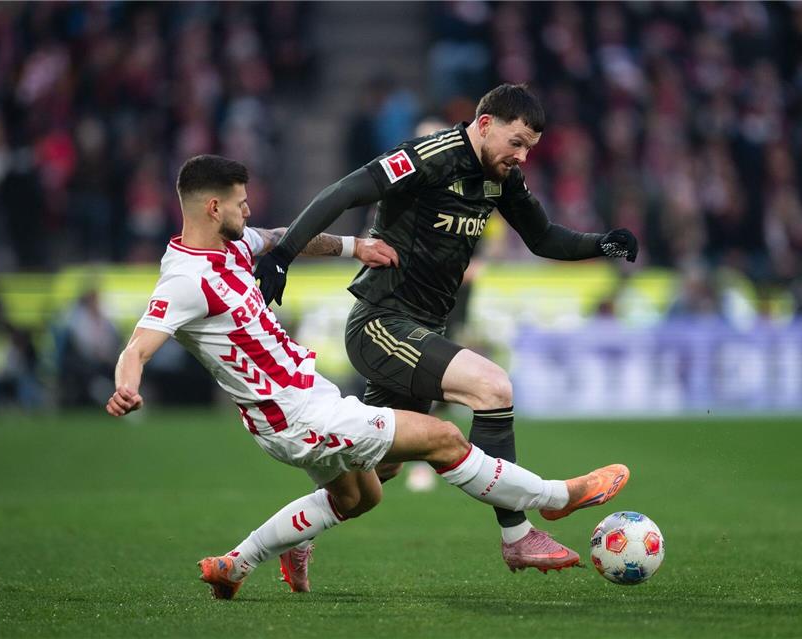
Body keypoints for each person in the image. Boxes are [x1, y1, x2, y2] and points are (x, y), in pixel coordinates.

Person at [105, 154, 629, 599]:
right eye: (241, 202)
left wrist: (358, 248)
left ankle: (235, 565)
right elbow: (139, 345)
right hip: (295, 415)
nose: (248, 209)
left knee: (362, 496)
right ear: (212, 207)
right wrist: (127, 386)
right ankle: (556, 499)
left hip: (304, 399)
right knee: (443, 438)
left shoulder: (233, 244)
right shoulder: (184, 280)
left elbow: (287, 237)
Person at [254, 84, 639, 572]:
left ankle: (296, 536)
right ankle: (518, 535)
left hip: (420, 329)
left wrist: (601, 244)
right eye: (516, 142)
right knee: (492, 387)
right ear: (484, 125)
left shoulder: (500, 177)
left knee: (377, 466)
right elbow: (345, 191)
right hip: (380, 321)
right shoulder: (430, 156)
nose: (521, 156)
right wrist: (284, 254)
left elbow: (543, 238)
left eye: (529, 149)